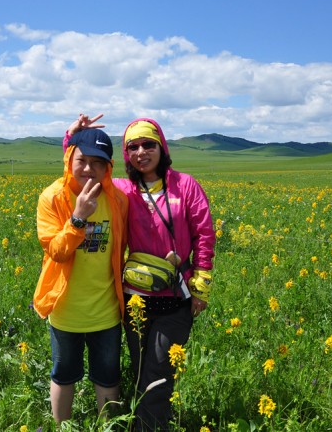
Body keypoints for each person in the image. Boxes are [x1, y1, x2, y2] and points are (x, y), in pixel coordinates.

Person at [66, 115, 216, 431]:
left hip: (175, 298)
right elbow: (82, 172)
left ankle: (147, 426)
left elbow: (204, 233)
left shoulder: (185, 185)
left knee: (158, 372)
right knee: (140, 370)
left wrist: (201, 283)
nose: (141, 152)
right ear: (126, 153)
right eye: (133, 147)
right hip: (136, 298)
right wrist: (73, 138)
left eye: (149, 144)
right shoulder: (122, 189)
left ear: (162, 147)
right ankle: (152, 420)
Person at [33, 127, 129, 426]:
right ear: (69, 160)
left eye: (98, 162)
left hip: (106, 311)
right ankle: (62, 428)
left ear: (108, 167)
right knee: (63, 375)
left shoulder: (118, 199)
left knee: (108, 376)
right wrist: (78, 218)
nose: (89, 169)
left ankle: (107, 427)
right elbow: (57, 251)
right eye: (82, 160)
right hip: (65, 310)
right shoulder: (52, 198)